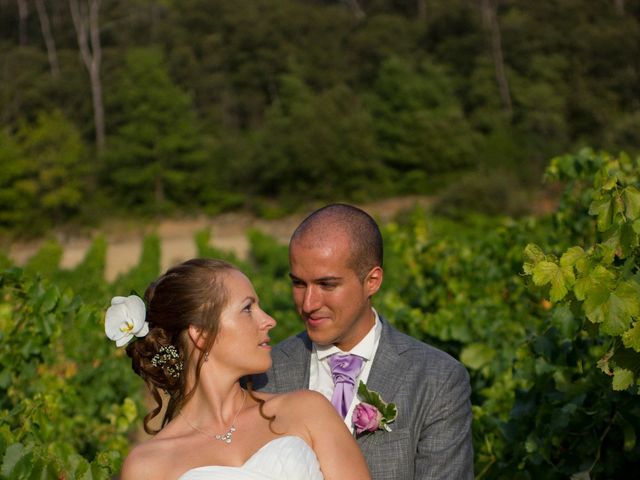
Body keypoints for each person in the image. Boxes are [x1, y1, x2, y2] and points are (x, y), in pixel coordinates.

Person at [253, 204, 474, 479]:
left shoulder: (436, 379)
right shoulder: (264, 372)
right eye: (299, 284)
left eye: (327, 285)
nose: (308, 304)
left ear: (372, 281)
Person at [105, 258, 371, 480]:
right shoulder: (146, 466)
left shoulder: (308, 410)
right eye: (247, 308)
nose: (269, 320)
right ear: (201, 334)